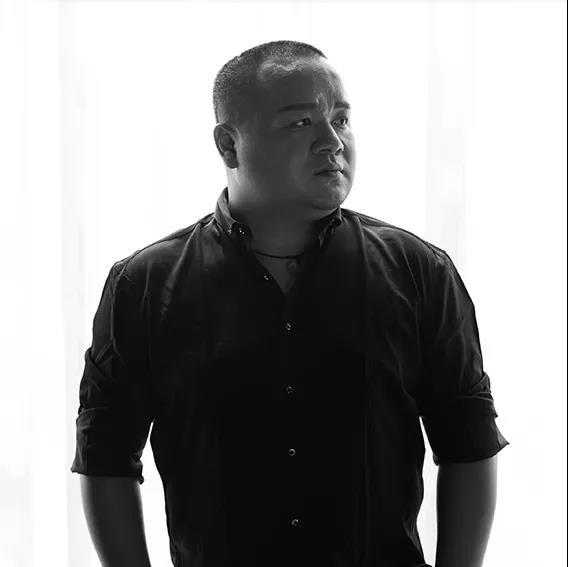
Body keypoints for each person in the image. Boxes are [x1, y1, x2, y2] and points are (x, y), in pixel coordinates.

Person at [71, 40, 510, 567]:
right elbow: (106, 458)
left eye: (341, 119)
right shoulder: (144, 285)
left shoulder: (419, 271)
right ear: (228, 146)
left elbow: (468, 443)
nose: (333, 142)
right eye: (301, 123)